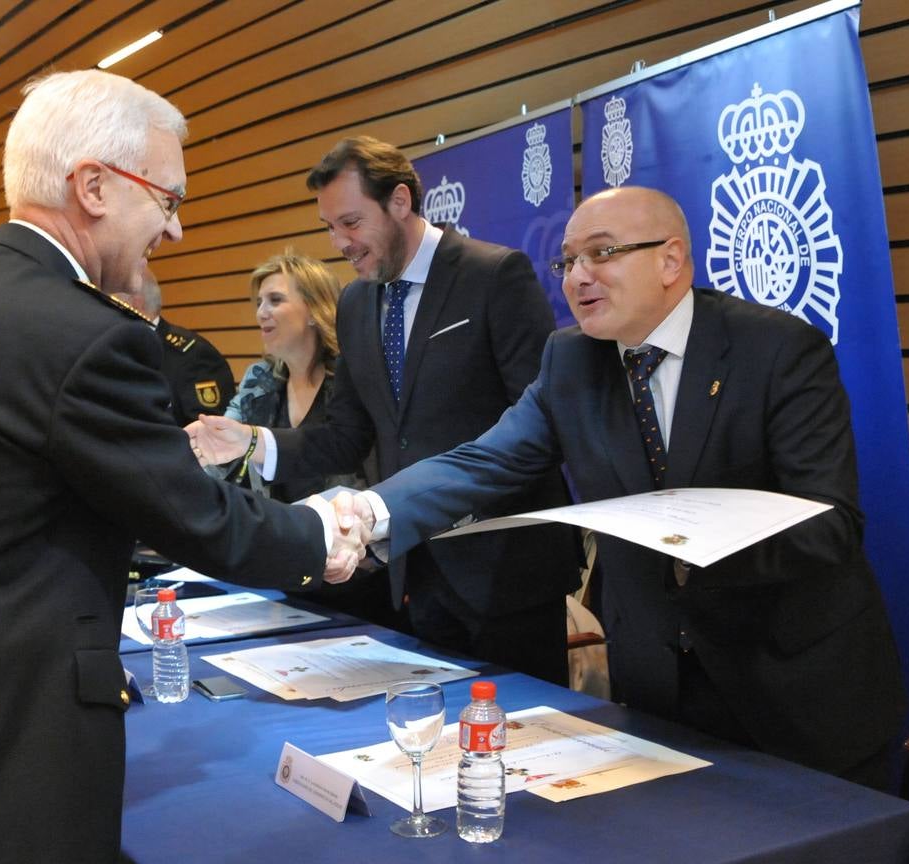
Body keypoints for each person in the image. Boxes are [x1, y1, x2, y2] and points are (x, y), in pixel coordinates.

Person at [0, 70, 356, 864]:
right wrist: (328, 534)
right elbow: (198, 518)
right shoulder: (78, 334)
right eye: (166, 199)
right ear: (92, 185)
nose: (177, 229)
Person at [336, 186, 906, 789]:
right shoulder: (571, 361)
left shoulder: (778, 349)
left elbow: (831, 523)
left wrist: (700, 542)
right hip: (658, 696)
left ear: (670, 260)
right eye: (567, 261)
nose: (577, 276)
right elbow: (483, 461)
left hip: (795, 690)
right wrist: (370, 510)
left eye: (601, 254)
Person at [189, 135, 579, 685]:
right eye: (329, 227)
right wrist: (253, 440)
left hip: (505, 571)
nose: (339, 242)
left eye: (350, 222)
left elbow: (539, 425)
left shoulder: (494, 275)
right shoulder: (355, 302)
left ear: (400, 201)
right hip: (413, 571)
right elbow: (348, 434)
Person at [221, 250, 365, 503]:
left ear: (314, 311)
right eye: (259, 303)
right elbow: (222, 452)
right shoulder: (258, 378)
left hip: (350, 532)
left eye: (275, 300)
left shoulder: (354, 375)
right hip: (278, 534)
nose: (261, 313)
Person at [123, 266, 236, 426]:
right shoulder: (120, 348)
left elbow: (207, 436)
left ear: (134, 302)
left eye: (111, 300)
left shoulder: (194, 356)